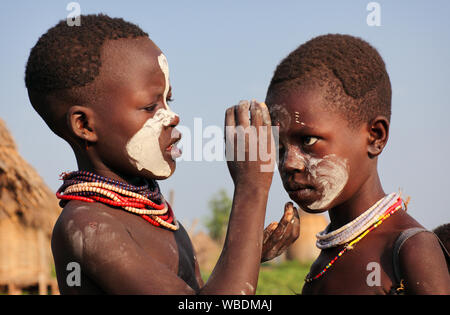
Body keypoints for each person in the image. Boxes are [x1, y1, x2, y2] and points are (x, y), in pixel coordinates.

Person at [25, 14, 299, 294]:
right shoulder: (88, 227)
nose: (172, 117)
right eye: (149, 106)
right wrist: (251, 190)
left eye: (169, 100)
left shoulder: (158, 215)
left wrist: (248, 252)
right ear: (84, 125)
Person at [265, 34, 450, 294]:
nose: (289, 163)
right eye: (280, 148)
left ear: (375, 136)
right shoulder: (325, 261)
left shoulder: (409, 250)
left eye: (308, 140)